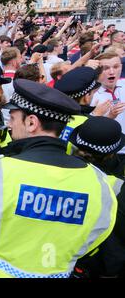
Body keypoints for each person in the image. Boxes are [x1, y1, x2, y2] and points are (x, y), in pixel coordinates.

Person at [0, 79, 118, 278]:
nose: (9, 124)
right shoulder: (100, 184)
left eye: (13, 117)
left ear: (31, 122)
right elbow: (94, 243)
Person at [68, 117, 125, 277]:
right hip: (105, 265)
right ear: (111, 153)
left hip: (65, 259)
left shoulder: (62, 172)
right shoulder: (119, 185)